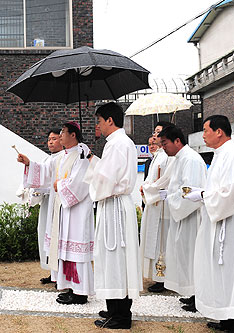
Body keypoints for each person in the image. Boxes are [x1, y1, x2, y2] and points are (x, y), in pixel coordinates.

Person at [185, 115, 234, 332]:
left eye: (206, 130)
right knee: (222, 270)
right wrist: (202, 195)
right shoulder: (220, 155)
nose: (203, 134)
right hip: (220, 218)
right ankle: (227, 316)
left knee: (232, 270)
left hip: (231, 221)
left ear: (219, 132)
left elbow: (231, 191)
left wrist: (203, 195)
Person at [17, 122, 94, 304]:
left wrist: (59, 185)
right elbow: (45, 171)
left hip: (77, 211)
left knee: (76, 250)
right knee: (65, 250)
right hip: (62, 210)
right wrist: (29, 163)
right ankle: (71, 287)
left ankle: (81, 292)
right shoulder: (61, 157)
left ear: (73, 135)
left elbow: (80, 183)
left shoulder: (82, 156)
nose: (60, 136)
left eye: (63, 133)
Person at [84, 102, 142, 329]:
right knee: (112, 259)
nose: (97, 126)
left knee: (116, 258)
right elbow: (107, 173)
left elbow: (105, 180)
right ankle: (114, 307)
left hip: (114, 205)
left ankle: (120, 315)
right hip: (114, 204)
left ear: (109, 120)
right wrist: (91, 160)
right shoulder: (118, 143)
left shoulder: (117, 144)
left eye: (98, 121)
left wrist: (93, 176)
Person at [151, 125, 206, 312]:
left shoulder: (190, 159)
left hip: (190, 216)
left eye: (165, 143)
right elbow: (178, 188)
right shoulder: (179, 159)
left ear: (177, 141)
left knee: (192, 257)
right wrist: (166, 194)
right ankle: (192, 294)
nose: (163, 147)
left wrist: (171, 197)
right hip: (182, 215)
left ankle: (199, 297)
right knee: (184, 256)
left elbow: (190, 190)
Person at [140, 121, 174, 293]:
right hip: (154, 205)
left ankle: (163, 277)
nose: (155, 136)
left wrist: (147, 189)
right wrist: (145, 187)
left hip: (163, 206)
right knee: (153, 240)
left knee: (162, 242)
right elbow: (151, 179)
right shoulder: (157, 156)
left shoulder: (168, 156)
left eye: (159, 132)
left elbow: (165, 181)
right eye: (154, 132)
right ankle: (156, 274)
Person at [26, 129, 63, 284]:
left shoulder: (63, 158)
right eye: (49, 139)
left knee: (57, 237)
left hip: (58, 204)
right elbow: (41, 174)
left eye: (54, 139)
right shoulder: (48, 158)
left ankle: (59, 274)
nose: (50, 142)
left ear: (62, 140)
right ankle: (52, 272)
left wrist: (30, 164)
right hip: (47, 203)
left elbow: (47, 178)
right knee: (45, 235)